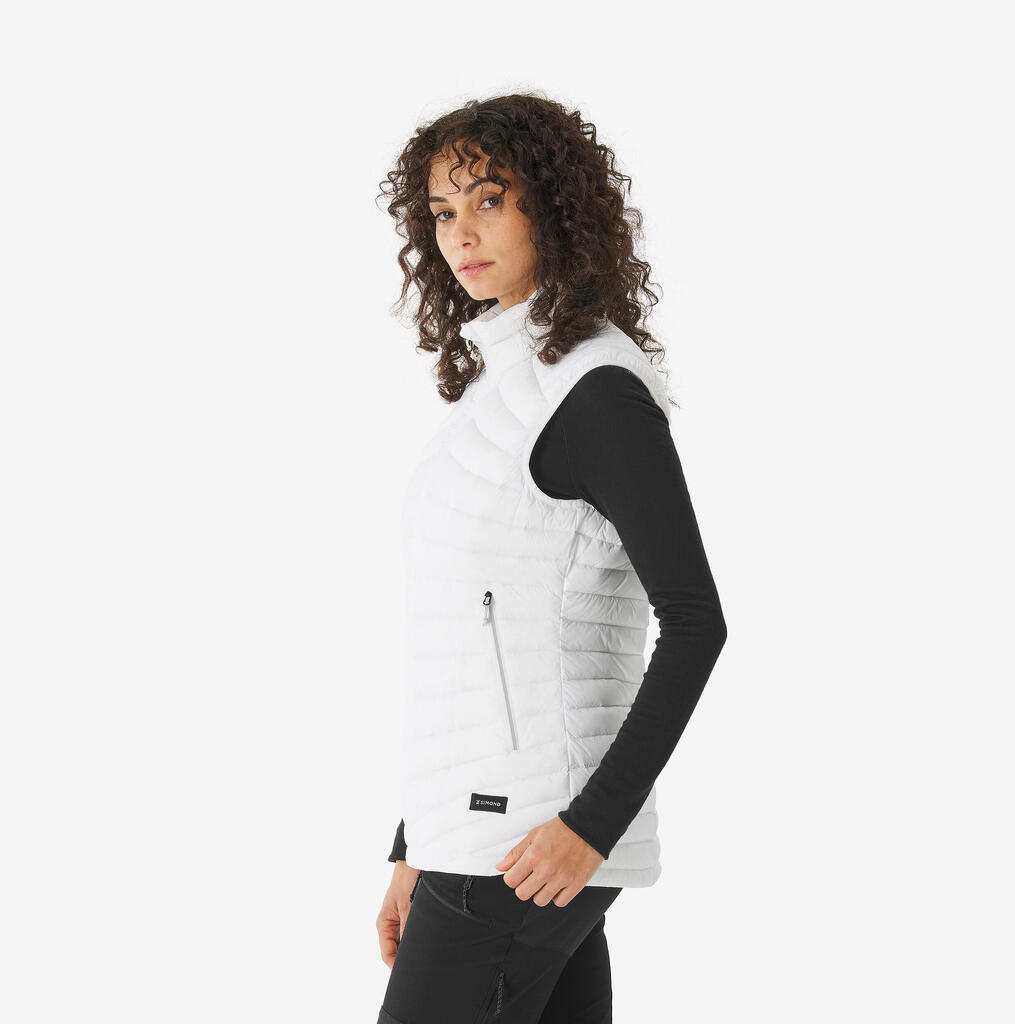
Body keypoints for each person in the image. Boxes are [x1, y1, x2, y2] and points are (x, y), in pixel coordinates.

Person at [373, 93, 727, 1024]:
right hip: (482, 838)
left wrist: (589, 830)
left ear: (555, 207)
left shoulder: (594, 390)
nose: (461, 234)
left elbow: (696, 622)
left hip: (525, 848)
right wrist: (417, 842)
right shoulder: (501, 391)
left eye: (489, 200)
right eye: (442, 212)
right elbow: (465, 644)